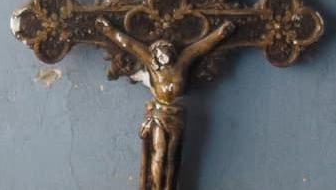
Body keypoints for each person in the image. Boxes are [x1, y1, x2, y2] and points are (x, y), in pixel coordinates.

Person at [95, 17, 235, 190]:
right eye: (158, 55)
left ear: (170, 51)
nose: (162, 57)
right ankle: (155, 185)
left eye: (164, 52)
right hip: (159, 113)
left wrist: (221, 33)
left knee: (171, 155)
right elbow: (129, 44)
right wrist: (109, 30)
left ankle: (167, 185)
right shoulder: (152, 65)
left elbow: (201, 47)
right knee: (159, 154)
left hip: (176, 114)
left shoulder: (183, 61)